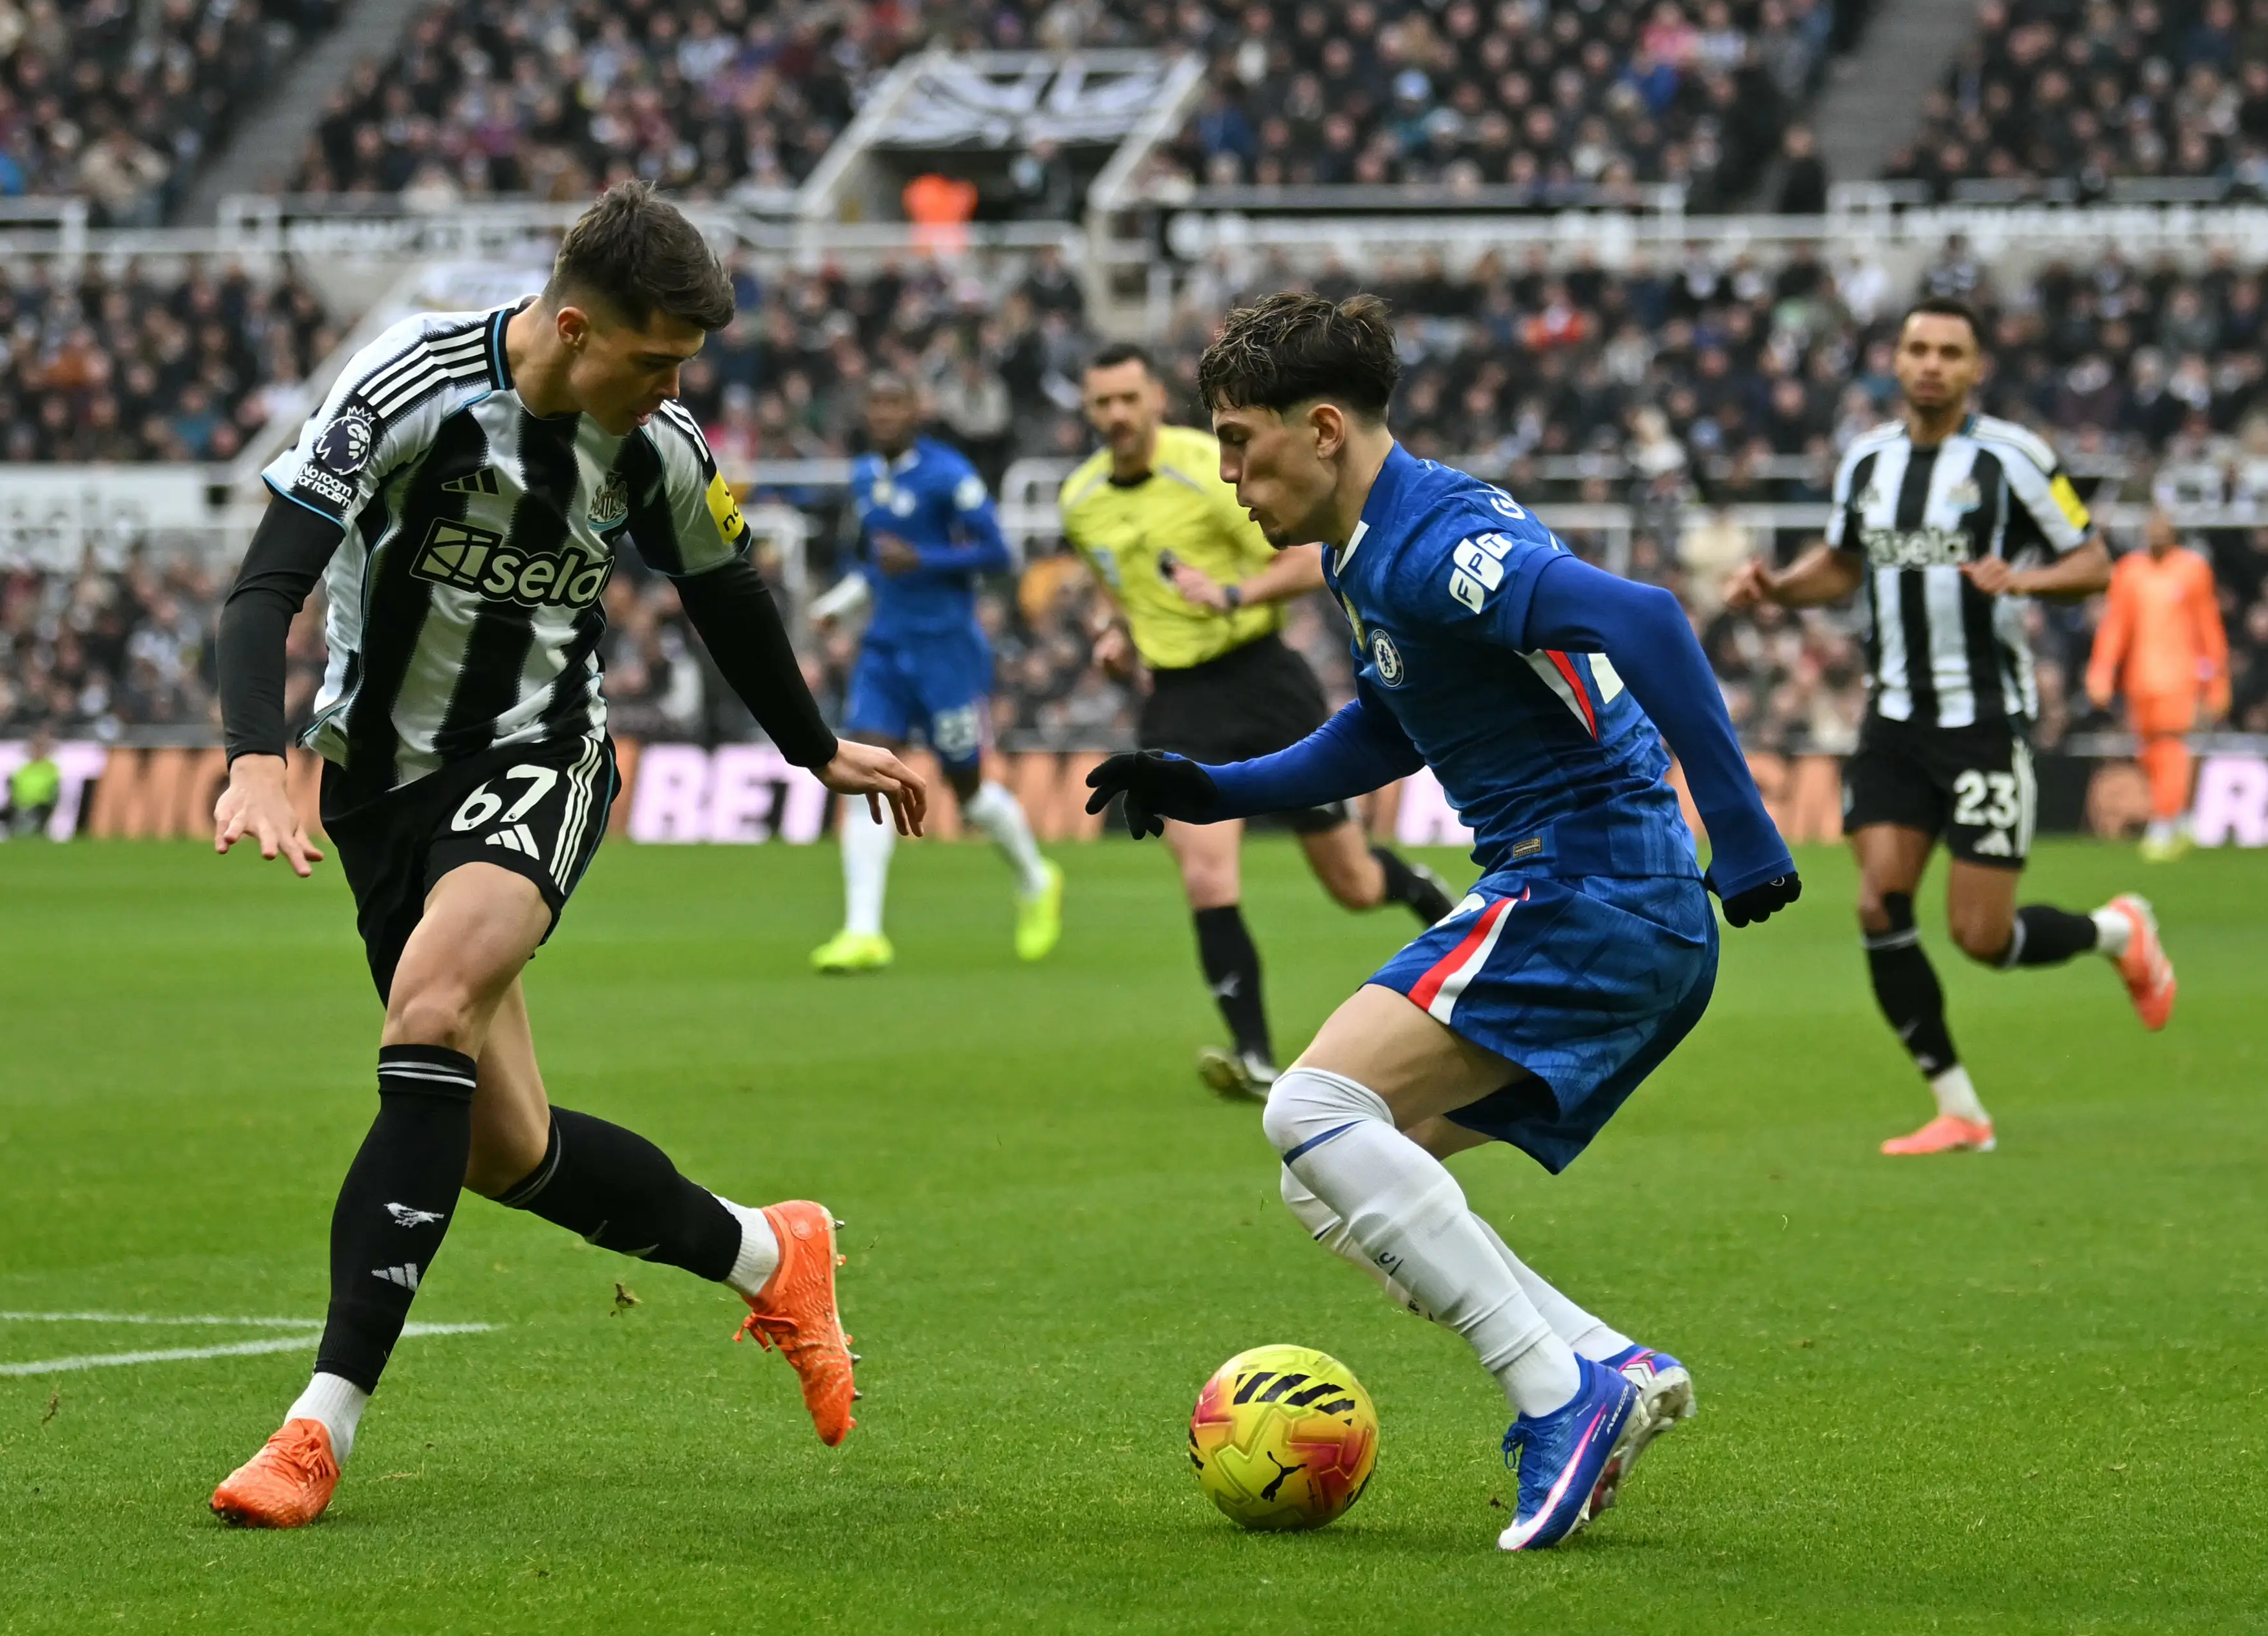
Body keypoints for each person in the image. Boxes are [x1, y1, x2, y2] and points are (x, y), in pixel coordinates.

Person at [204, 183, 929, 1529]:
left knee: (427, 1013)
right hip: (376, 783)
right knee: (500, 1143)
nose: (669, 386)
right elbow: (265, 586)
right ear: (577, 324)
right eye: (652, 359)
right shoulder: (411, 383)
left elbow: (726, 587)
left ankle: (318, 1426)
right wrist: (258, 752)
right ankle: (775, 1251)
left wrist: (814, 747)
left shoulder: (654, 439)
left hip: (542, 756)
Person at [1086, 292, 1801, 1549]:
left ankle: (1554, 1391)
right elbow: (1383, 722)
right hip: (1579, 890)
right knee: (1332, 1182)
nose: (1230, 471)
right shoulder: (1376, 547)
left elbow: (1646, 617)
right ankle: (1600, 1362)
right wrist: (1212, 785)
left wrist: (1740, 831)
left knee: (1306, 1108)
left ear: (1321, 429)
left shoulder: (1432, 539)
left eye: (1241, 442)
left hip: (1594, 879)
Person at [1722, 296, 2177, 1157]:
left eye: (1950, 353)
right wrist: (1779, 587)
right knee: (1876, 899)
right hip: (1893, 719)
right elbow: (1844, 563)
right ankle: (1959, 1107)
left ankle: (2119, 931)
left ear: (1975, 370)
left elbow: (2092, 561)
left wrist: (2026, 584)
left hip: (1984, 724)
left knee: (1982, 937)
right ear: (1897, 361)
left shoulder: (2013, 458)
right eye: (1918, 349)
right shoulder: (1868, 461)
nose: (1931, 364)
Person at [1063, 342, 1458, 1102]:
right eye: (1101, 403)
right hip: (1178, 699)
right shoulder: (1079, 501)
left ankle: (1416, 890)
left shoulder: (1211, 467)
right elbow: (1119, 587)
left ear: (1153, 401)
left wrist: (1233, 597)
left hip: (1265, 681)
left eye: (1127, 400)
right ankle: (1255, 1057)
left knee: (1351, 882)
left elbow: (1311, 560)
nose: (1115, 415)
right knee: (1207, 876)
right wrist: (1118, 634)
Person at [807, 371, 1062, 972]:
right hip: (886, 650)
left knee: (968, 793)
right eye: (876, 401)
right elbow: (876, 566)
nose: (885, 413)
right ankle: (864, 931)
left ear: (917, 411)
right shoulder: (867, 476)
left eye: (895, 401)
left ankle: (1036, 878)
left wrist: (926, 557)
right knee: (865, 770)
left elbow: (999, 553)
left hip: (947, 653)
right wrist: (837, 608)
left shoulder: (950, 475)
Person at [2086, 508, 2229, 860]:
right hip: (2141, 680)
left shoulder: (2192, 570)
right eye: (2151, 526)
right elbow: (2115, 628)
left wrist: (2218, 683)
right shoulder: (2130, 572)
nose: (2155, 532)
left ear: (2174, 531)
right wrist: (2101, 671)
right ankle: (2177, 818)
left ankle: (2164, 820)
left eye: (2162, 526)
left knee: (2170, 746)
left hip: (2180, 677)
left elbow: (2208, 629)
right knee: (2149, 750)